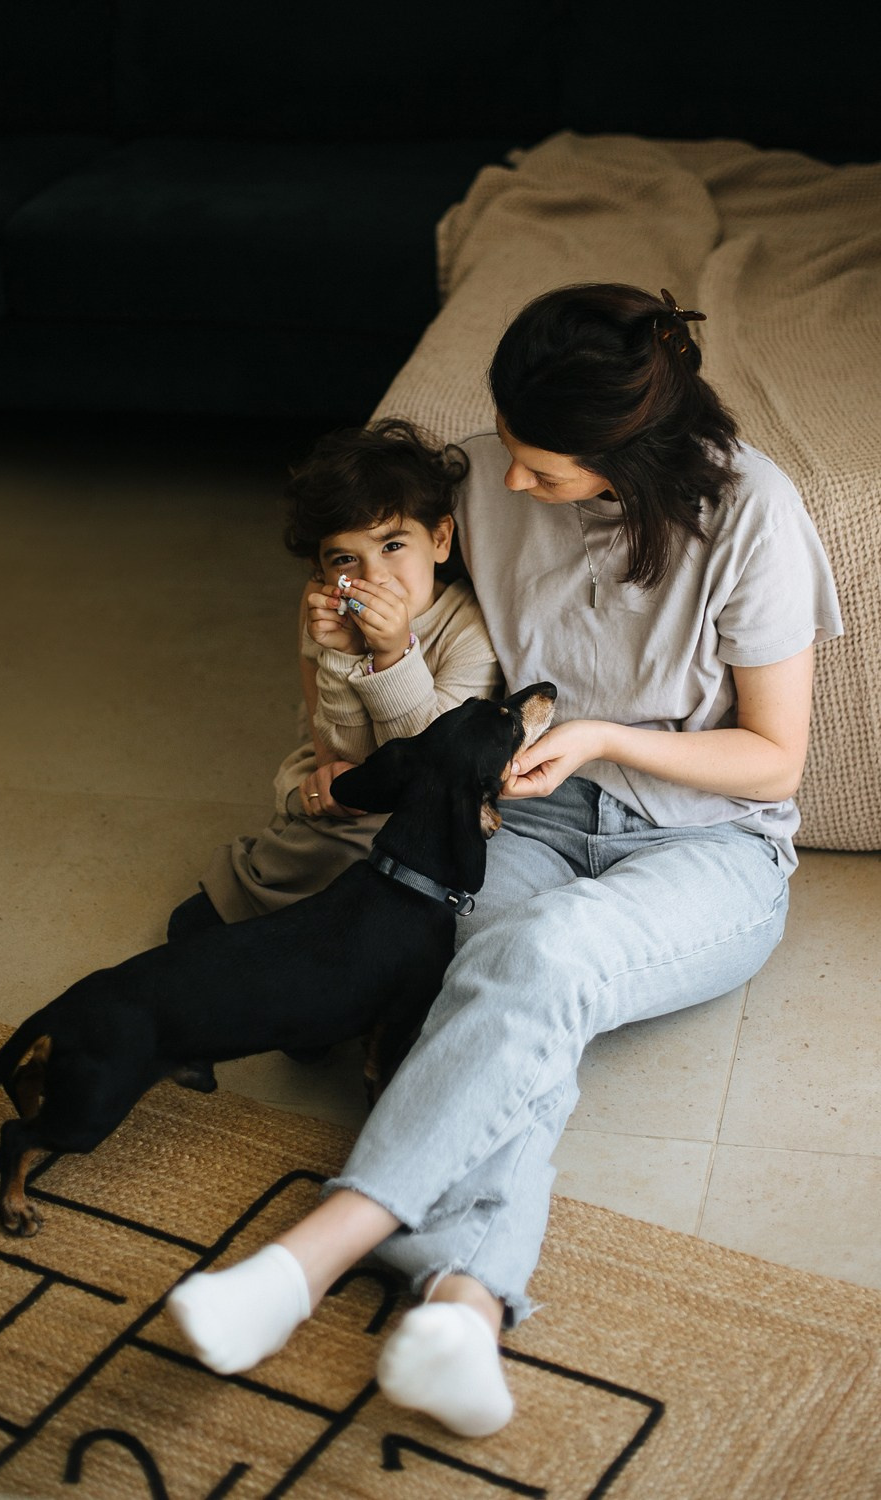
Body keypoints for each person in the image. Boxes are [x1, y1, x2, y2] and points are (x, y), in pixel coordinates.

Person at [168, 283, 843, 1439]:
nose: (506, 482)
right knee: (489, 985)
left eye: (544, 467)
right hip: (519, 819)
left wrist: (603, 736)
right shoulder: (486, 477)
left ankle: (303, 1261)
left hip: (706, 849)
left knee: (549, 951)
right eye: (510, 452)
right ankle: (462, 1311)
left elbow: (774, 762)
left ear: (631, 451)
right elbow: (408, 613)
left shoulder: (754, 517)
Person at [165, 417, 501, 940]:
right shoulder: (327, 612)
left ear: (439, 539)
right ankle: (281, 899)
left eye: (393, 546)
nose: (374, 578)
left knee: (381, 849)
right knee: (318, 811)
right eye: (347, 559)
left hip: (426, 797)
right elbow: (343, 754)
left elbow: (428, 766)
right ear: (321, 572)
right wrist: (342, 657)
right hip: (355, 782)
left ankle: (309, 921)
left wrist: (393, 655)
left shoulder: (472, 629)